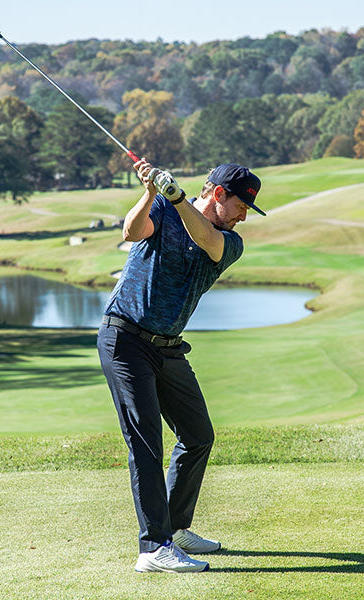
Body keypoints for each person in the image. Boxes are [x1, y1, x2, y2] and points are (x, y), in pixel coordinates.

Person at [97, 159, 265, 573]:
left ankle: (174, 527)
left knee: (198, 435)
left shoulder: (229, 242)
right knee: (147, 443)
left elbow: (206, 237)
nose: (245, 215)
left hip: (169, 348)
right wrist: (153, 192)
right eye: (242, 205)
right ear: (218, 194)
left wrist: (176, 197)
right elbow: (132, 232)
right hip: (125, 339)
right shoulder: (165, 209)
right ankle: (153, 549)